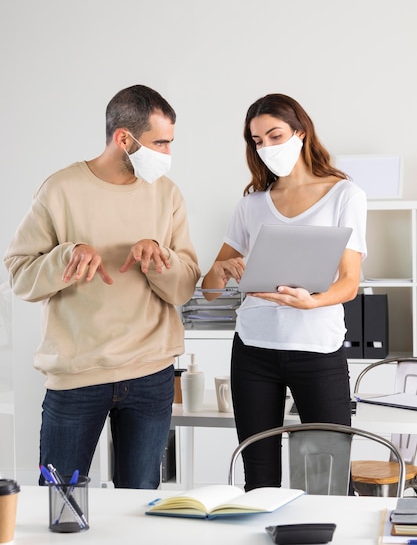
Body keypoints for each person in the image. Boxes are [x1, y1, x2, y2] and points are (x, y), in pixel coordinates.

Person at [4, 84, 200, 489]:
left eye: (170, 142)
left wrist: (159, 259)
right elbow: (19, 276)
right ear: (124, 139)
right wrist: (66, 256)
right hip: (77, 374)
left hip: (150, 373)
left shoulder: (168, 195)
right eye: (159, 143)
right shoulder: (60, 189)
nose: (167, 154)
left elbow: (182, 288)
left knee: (139, 505)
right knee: (61, 504)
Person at [202, 93, 367, 491]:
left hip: (318, 350)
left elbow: (349, 283)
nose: (266, 147)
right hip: (253, 350)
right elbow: (209, 291)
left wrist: (312, 302)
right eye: (257, 141)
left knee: (326, 476)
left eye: (275, 135)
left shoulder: (345, 195)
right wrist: (220, 271)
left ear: (301, 132)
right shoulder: (252, 205)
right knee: (258, 476)